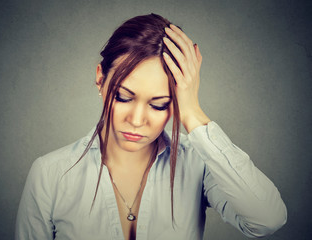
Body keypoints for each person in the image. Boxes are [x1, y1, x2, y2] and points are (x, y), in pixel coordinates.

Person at [15, 13, 287, 240]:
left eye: (159, 104)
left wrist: (191, 111)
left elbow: (266, 219)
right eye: (123, 97)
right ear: (100, 79)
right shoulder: (50, 175)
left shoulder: (196, 165)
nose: (136, 120)